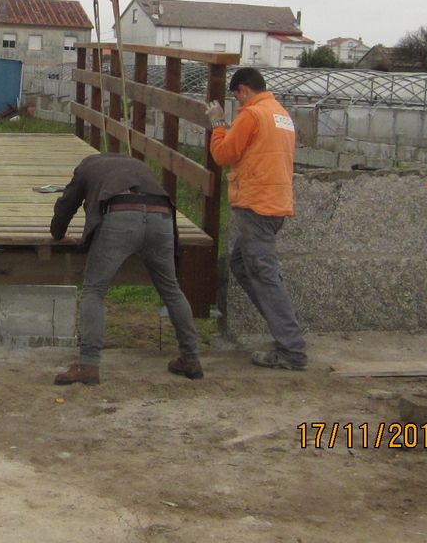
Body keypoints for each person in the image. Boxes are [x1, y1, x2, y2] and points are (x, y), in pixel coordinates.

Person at [50, 153, 203, 386]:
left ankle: (88, 363)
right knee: (172, 290)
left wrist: (58, 234)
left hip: (120, 216)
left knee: (94, 290)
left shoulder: (87, 166)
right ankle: (191, 358)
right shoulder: (139, 165)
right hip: (162, 217)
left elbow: (67, 204)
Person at [206, 67, 307, 371]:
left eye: (237, 99)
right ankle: (289, 327)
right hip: (275, 205)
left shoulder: (252, 115)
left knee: (263, 275)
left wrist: (218, 125)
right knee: (242, 265)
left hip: (256, 206)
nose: (237, 105)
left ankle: (292, 348)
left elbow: (224, 155)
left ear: (243, 90)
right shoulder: (280, 114)